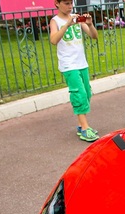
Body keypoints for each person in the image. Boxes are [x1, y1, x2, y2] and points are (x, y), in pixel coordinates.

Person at [49, 0, 99, 142]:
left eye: (71, 3)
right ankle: (84, 128)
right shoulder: (55, 21)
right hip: (68, 64)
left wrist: (89, 24)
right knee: (79, 93)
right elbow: (53, 40)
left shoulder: (77, 19)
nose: (70, 6)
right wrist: (67, 25)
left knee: (87, 92)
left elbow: (94, 36)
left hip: (81, 62)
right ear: (57, 3)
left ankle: (80, 125)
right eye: (66, 3)